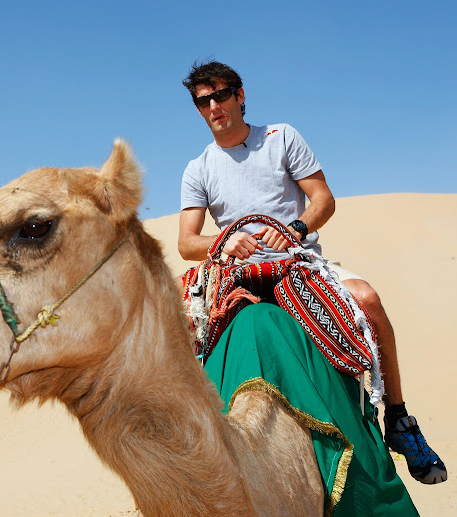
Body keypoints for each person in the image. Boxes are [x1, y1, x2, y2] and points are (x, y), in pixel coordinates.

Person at [178, 60, 447, 485]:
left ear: (240, 95)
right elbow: (185, 242)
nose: (214, 106)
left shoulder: (280, 137)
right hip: (236, 274)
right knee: (167, 335)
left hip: (298, 264)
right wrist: (223, 242)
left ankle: (398, 419)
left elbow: (323, 199)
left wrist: (298, 229)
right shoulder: (199, 168)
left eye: (221, 95)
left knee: (368, 300)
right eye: (203, 101)